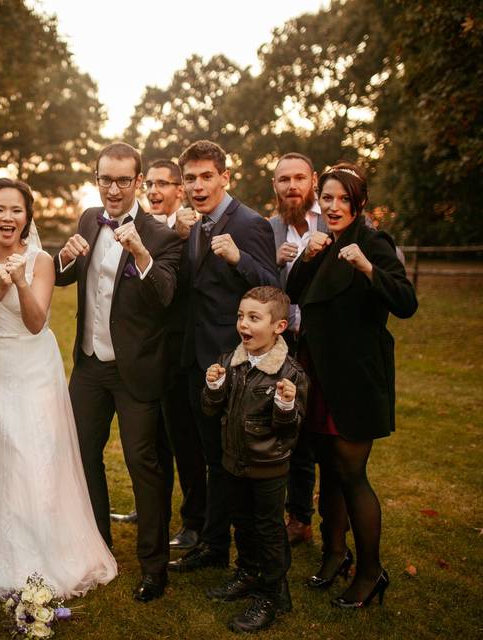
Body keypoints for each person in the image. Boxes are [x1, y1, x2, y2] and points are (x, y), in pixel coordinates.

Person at [0, 178, 118, 600]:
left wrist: (18, 281)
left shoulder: (41, 260)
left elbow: (37, 321)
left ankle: (45, 545)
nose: (8, 218)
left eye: (16, 211)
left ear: (27, 217)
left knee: (33, 452)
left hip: (35, 367)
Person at [286, 162, 417, 608]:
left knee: (352, 473)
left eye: (344, 199)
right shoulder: (323, 242)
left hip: (356, 377)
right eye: (327, 198)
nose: (334, 206)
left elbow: (405, 302)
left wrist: (367, 268)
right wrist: (307, 256)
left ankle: (370, 571)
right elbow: (298, 293)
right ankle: (334, 554)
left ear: (358, 202)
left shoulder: (373, 241)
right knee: (330, 469)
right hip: (320, 374)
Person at [55, 142, 181, 603]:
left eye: (122, 180)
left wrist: (143, 255)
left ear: (139, 182)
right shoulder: (89, 219)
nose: (112, 188)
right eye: (105, 178)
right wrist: (65, 256)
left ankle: (153, 567)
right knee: (81, 456)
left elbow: (166, 294)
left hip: (136, 370)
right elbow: (64, 276)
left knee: (143, 466)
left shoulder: (162, 236)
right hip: (89, 365)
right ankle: (97, 547)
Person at [168, 140, 279, 573]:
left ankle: (241, 554)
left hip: (236, 363)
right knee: (213, 459)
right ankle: (214, 549)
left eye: (206, 176)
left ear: (224, 177)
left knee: (233, 463)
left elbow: (273, 290)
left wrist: (240, 259)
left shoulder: (250, 223)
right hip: (200, 362)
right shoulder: (195, 226)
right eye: (190, 178)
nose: (197, 185)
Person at [201, 286, 308, 633]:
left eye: (253, 318)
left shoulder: (289, 374)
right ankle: (247, 574)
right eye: (240, 316)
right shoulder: (231, 362)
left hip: (268, 468)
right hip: (234, 461)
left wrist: (286, 405)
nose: (243, 324)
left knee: (268, 530)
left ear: (278, 327)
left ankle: (273, 592)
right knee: (242, 523)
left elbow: (289, 431)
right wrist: (214, 387)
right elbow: (211, 410)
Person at [142, 158, 207, 551]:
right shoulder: (142, 229)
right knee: (152, 441)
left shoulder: (189, 230)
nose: (154, 191)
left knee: (185, 443)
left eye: (163, 184)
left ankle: (195, 521)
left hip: (180, 351)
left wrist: (182, 240)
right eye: (149, 184)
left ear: (179, 191)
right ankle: (155, 510)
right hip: (145, 352)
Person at [268, 152, 327, 547]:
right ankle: (298, 518)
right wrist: (276, 264)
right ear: (275, 186)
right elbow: (254, 282)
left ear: (313, 181)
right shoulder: (268, 228)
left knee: (331, 435)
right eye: (283, 180)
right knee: (293, 432)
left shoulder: (337, 220)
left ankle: (336, 521)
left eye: (299, 178)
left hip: (326, 344)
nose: (291, 186)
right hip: (285, 345)